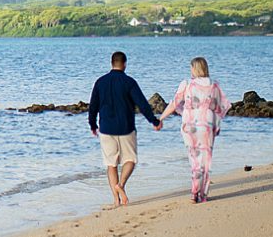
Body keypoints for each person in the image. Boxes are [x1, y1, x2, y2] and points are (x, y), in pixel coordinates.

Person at [88, 50, 162, 208]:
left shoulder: (100, 82)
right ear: (125, 64)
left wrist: (92, 125)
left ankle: (116, 200)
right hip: (126, 127)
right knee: (130, 160)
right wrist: (154, 121)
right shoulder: (129, 82)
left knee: (111, 164)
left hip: (106, 128)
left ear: (111, 63)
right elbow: (142, 104)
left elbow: (93, 106)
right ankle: (120, 185)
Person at [159, 56, 232, 203]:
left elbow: (174, 103)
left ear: (194, 68)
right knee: (205, 159)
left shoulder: (186, 84)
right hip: (207, 124)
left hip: (190, 125)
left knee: (194, 158)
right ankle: (202, 194)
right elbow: (220, 108)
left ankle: (194, 193)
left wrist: (160, 119)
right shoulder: (214, 85)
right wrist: (218, 126)